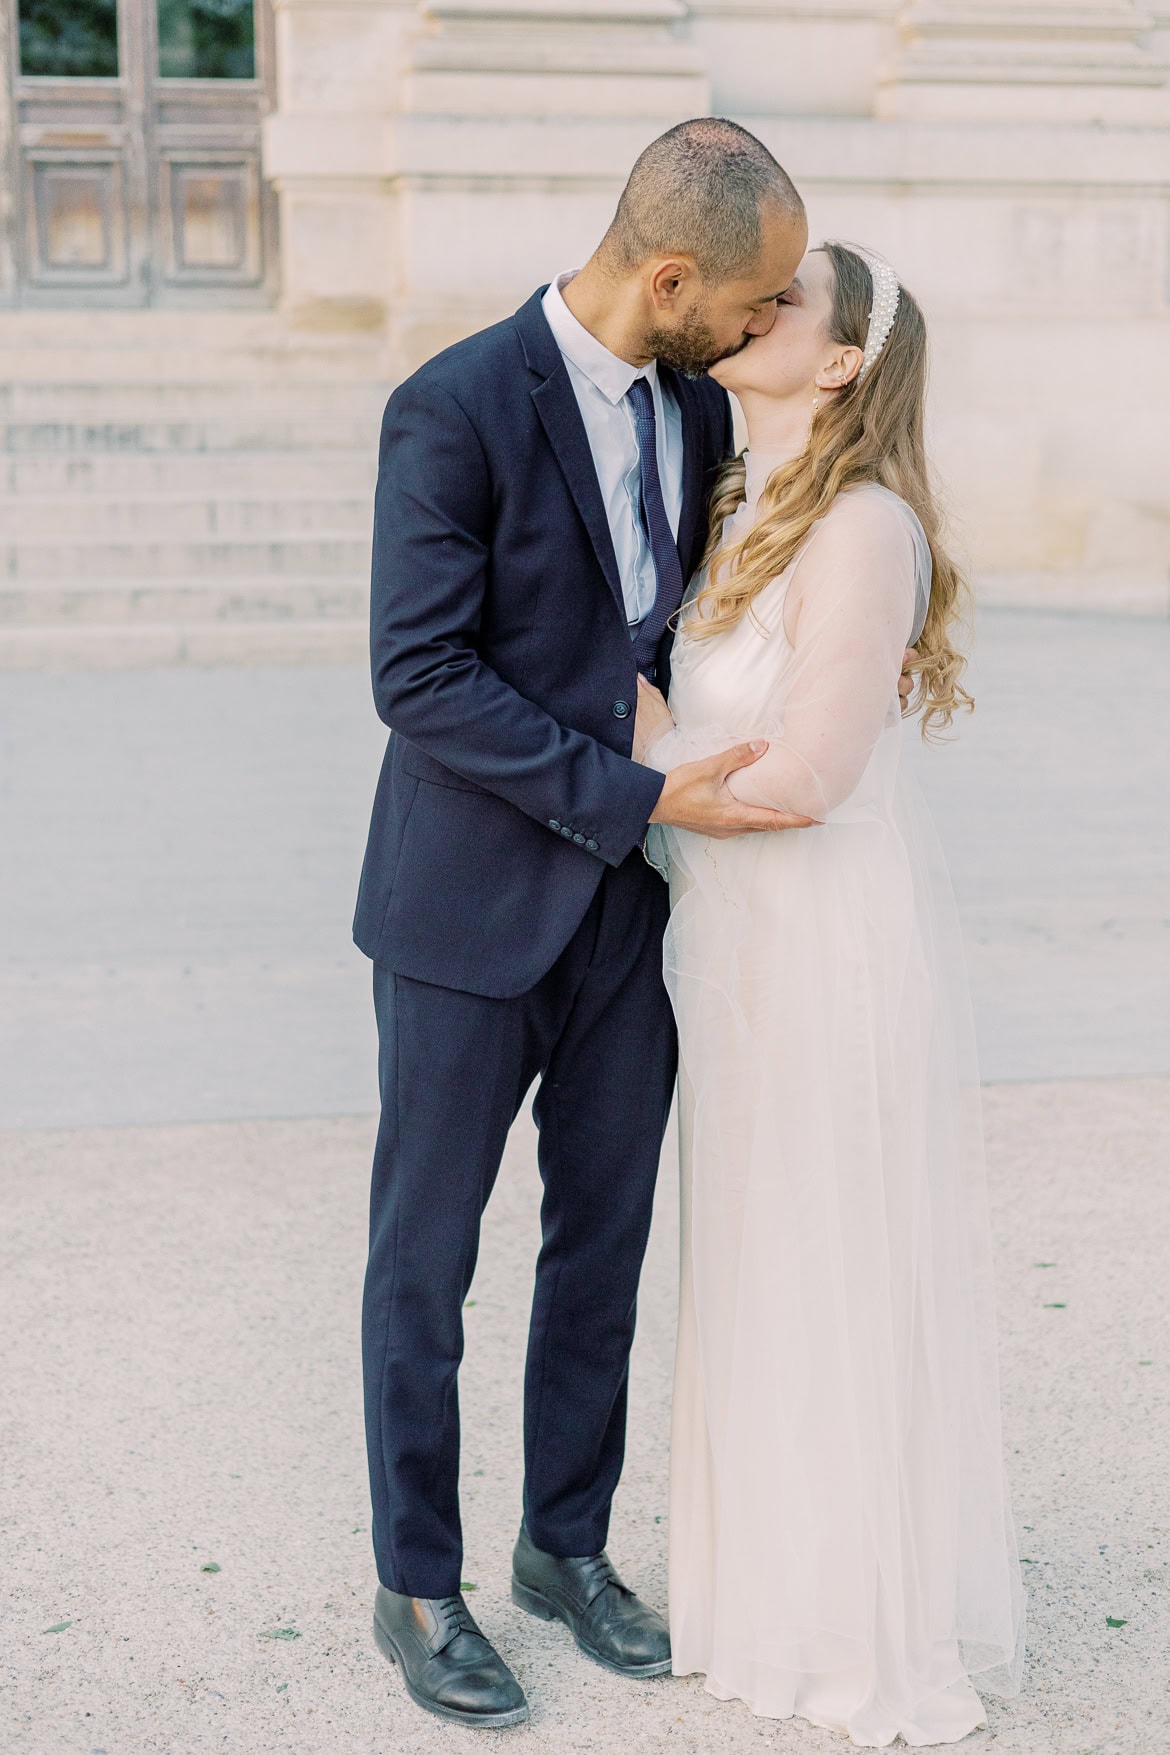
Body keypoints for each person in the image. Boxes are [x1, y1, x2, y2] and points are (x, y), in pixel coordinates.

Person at [352, 118, 817, 1729]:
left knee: (600, 1248)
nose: (762, 329)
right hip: (463, 913)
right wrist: (639, 799)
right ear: (668, 273)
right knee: (423, 1266)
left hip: (632, 917)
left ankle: (566, 1549)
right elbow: (416, 677)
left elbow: (696, 617)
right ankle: (417, 1583)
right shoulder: (455, 403)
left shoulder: (698, 407)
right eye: (750, 304)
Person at [633, 241, 1026, 1747]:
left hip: (815, 946)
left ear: (844, 361)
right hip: (721, 943)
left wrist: (624, 726)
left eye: (784, 298)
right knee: (749, 1257)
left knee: (824, 1254)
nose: (751, 303)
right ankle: (758, 1603)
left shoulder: (861, 529)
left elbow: (803, 777)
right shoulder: (736, 505)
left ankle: (848, 1625)